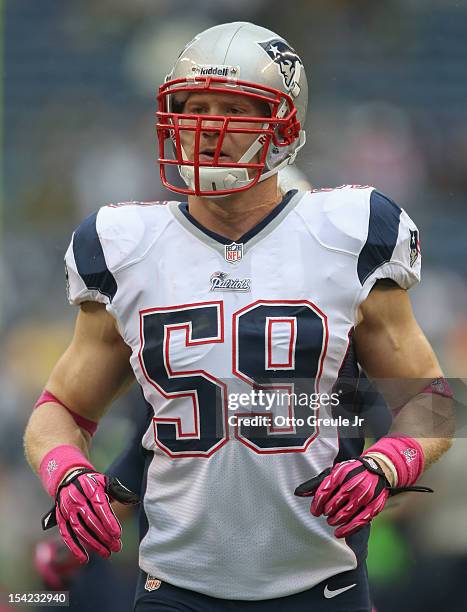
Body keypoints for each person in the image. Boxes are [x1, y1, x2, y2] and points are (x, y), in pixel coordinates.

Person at [24, 21, 453, 612]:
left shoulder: (351, 233)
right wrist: (67, 473)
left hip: (322, 583)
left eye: (232, 108)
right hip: (175, 587)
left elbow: (430, 400)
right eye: (192, 105)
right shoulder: (124, 245)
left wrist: (386, 465)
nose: (205, 125)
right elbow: (62, 412)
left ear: (285, 127)